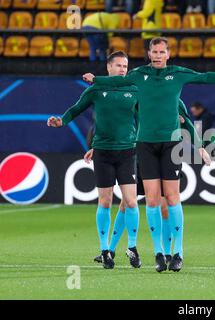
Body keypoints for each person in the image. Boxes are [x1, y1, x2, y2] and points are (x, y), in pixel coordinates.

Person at [82, 37, 215, 272]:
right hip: (141, 146)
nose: (158, 55)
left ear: (168, 54)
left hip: (169, 146)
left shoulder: (177, 77)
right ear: (149, 53)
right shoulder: (137, 78)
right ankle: (151, 253)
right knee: (144, 201)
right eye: (154, 51)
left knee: (168, 199)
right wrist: (97, 82)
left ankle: (177, 253)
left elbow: (204, 78)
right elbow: (116, 96)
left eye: (162, 52)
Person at [47, 51, 140, 270]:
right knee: (105, 202)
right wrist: (61, 121)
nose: (122, 69)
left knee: (131, 201)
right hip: (104, 153)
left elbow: (145, 116)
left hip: (127, 151)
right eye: (118, 65)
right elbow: (77, 108)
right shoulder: (96, 89)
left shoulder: (134, 89)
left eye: (125, 66)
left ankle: (132, 247)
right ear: (108, 67)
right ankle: (105, 250)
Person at [88, 101, 209, 265]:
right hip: (140, 153)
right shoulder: (139, 98)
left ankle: (166, 253)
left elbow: (186, 122)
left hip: (165, 153)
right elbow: (121, 121)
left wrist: (198, 145)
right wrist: (102, 144)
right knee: (126, 203)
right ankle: (111, 250)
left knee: (165, 205)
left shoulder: (174, 99)